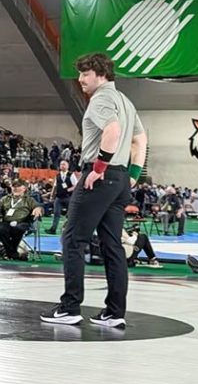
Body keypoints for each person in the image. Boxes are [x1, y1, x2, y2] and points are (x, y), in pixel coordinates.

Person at [41, 53, 146, 329]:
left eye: (85, 74)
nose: (80, 79)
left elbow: (111, 131)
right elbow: (140, 139)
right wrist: (132, 175)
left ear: (100, 74)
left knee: (73, 238)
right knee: (112, 245)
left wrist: (98, 169)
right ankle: (114, 312)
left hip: (102, 175)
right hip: (120, 178)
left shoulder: (101, 99)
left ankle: (70, 307)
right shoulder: (126, 101)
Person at [0, 179, 43, 260]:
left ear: (24, 188)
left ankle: (8, 253)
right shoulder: (6, 198)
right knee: (1, 229)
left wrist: (38, 209)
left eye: (18, 186)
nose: (16, 188)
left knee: (18, 228)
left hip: (23, 222)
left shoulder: (29, 200)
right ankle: (14, 254)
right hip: (6, 222)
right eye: (14, 186)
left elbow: (38, 206)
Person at [45, 160, 77, 234]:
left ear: (67, 166)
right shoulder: (57, 175)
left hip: (68, 197)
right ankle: (53, 229)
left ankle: (69, 230)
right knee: (56, 213)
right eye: (61, 164)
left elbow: (76, 185)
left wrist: (68, 189)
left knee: (70, 214)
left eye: (64, 164)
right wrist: (51, 196)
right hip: (59, 198)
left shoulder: (71, 175)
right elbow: (55, 186)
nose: (62, 166)